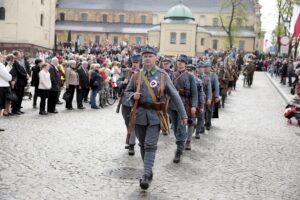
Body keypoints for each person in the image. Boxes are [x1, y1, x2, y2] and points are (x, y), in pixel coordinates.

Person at [125, 46, 187, 190]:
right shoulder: (136, 75)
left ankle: (145, 175)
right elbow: (127, 92)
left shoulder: (162, 75)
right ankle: (148, 169)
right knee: (142, 145)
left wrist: (183, 115)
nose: (147, 58)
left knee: (150, 145)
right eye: (145, 56)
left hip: (155, 116)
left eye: (150, 56)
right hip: (139, 115)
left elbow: (175, 95)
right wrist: (131, 96)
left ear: (156, 58)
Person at [168, 54, 198, 162]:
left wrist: (194, 106)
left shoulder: (190, 77)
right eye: (178, 61)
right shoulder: (171, 75)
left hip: (184, 106)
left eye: (182, 62)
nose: (180, 63)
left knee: (181, 128)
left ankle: (179, 151)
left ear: (185, 64)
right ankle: (180, 142)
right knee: (175, 128)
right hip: (172, 106)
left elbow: (194, 93)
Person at [117, 54, 141, 155]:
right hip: (126, 102)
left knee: (133, 123)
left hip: (137, 103)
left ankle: (131, 145)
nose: (135, 65)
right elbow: (117, 82)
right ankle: (129, 137)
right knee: (127, 122)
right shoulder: (126, 72)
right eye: (133, 63)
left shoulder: (142, 74)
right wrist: (122, 82)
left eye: (137, 63)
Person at [195, 62, 212, 134]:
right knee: (192, 115)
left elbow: (209, 89)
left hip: (203, 100)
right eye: (198, 68)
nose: (200, 69)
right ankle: (193, 126)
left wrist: (209, 98)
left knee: (201, 115)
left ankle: (198, 131)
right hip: (194, 99)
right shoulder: (193, 77)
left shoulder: (207, 78)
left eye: (201, 68)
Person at [10, 50, 29, 115]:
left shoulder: (19, 61)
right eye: (19, 54)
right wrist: (25, 75)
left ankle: (18, 109)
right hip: (19, 82)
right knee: (18, 96)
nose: (20, 55)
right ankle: (15, 110)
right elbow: (19, 72)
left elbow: (23, 70)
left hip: (22, 82)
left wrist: (26, 75)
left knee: (20, 96)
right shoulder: (15, 62)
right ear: (16, 55)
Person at [204, 60, 220, 130]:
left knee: (209, 109)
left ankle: (208, 123)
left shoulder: (214, 75)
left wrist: (216, 96)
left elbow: (216, 86)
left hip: (211, 94)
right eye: (205, 67)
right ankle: (203, 122)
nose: (206, 68)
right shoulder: (201, 74)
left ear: (210, 68)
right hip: (203, 93)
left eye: (207, 67)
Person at [0, 53, 12, 125]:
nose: (2, 57)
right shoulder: (0, 65)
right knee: (0, 106)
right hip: (2, 86)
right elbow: (8, 77)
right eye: (1, 56)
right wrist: (10, 76)